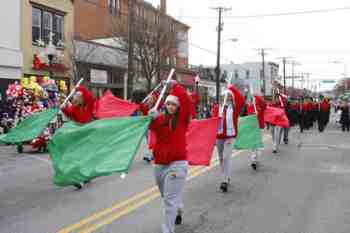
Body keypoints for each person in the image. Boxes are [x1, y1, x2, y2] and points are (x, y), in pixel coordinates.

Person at [148, 81, 192, 233]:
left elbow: (186, 100)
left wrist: (175, 86)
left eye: (174, 104)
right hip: (160, 165)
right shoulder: (160, 120)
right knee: (167, 196)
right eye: (168, 104)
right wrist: (149, 113)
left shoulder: (183, 119)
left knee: (169, 200)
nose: (171, 106)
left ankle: (167, 230)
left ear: (178, 106)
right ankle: (178, 208)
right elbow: (149, 124)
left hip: (177, 164)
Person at [61, 85, 95, 189]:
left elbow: (89, 96)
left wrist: (79, 87)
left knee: (84, 156)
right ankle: (82, 176)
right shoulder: (74, 108)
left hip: (87, 134)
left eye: (77, 98)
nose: (75, 99)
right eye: (75, 98)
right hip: (77, 134)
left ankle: (82, 177)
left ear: (82, 99)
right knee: (78, 156)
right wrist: (63, 109)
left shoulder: (89, 105)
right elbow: (70, 115)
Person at [213, 85, 245, 192]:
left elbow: (241, 99)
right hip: (219, 136)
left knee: (226, 157)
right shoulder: (217, 108)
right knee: (221, 158)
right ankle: (225, 176)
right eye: (225, 96)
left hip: (230, 137)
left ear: (232, 97)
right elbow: (213, 122)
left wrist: (231, 88)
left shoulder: (235, 108)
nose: (228, 97)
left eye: (230, 96)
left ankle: (224, 180)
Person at [246, 95, 266, 170]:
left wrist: (256, 95)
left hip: (260, 127)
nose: (254, 100)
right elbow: (249, 117)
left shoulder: (261, 106)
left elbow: (264, 104)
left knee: (258, 144)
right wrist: (254, 114)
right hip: (253, 128)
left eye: (255, 99)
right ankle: (253, 160)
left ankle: (256, 159)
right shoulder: (250, 107)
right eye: (253, 99)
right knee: (254, 144)